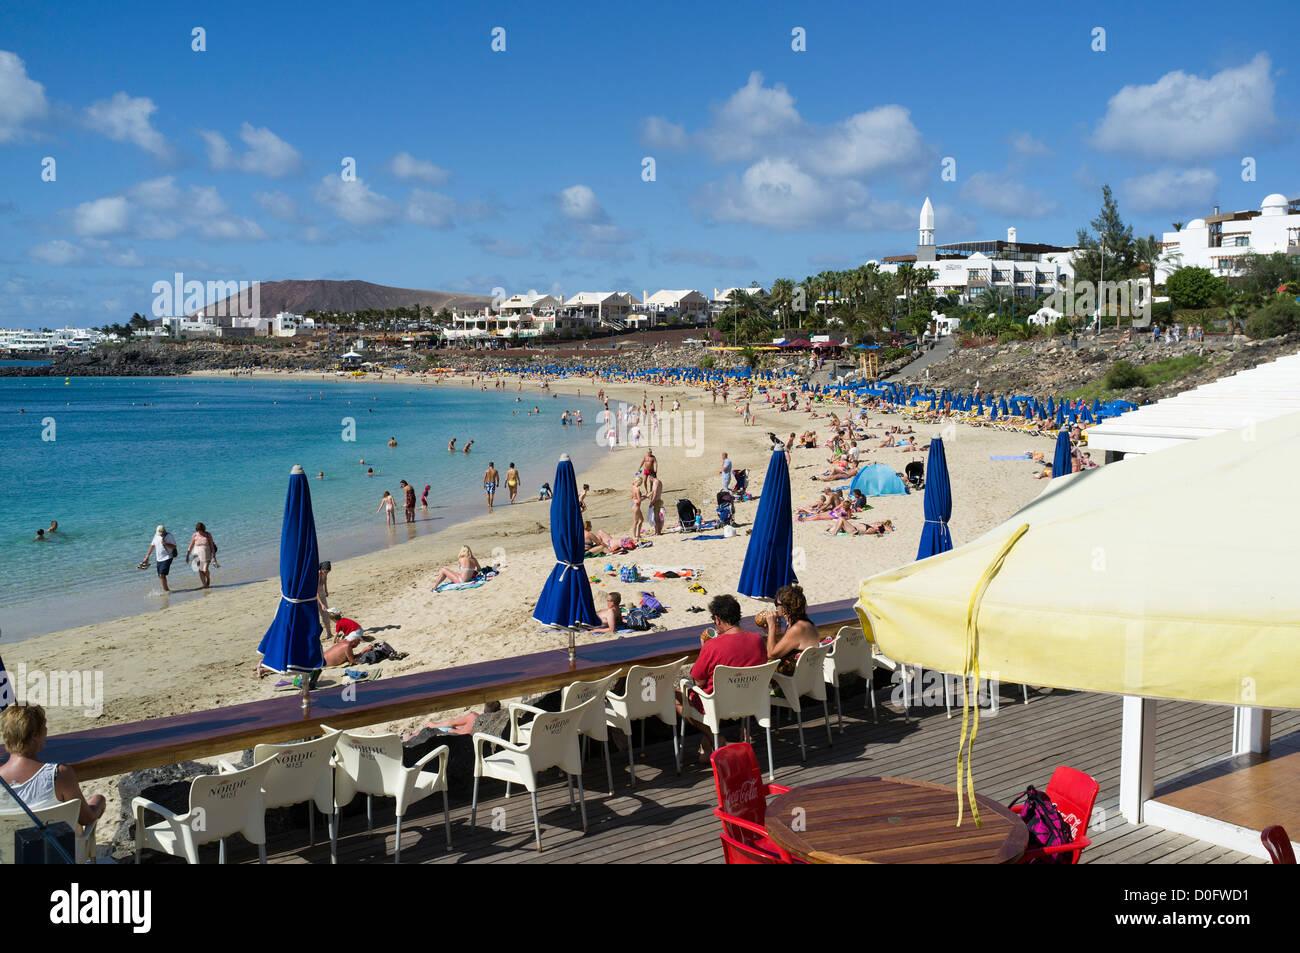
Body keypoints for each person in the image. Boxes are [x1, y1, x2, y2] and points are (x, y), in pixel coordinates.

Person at [676, 594, 767, 761]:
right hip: (750, 700)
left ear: (717, 620)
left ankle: (715, 738)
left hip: (718, 704)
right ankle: (709, 740)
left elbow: (698, 681)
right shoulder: (757, 640)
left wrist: (705, 648)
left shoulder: (712, 646)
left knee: (676, 696)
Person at [0, 704, 106, 831]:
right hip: (57, 850)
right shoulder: (59, 775)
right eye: (44, 727)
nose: (46, 731)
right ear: (35, 735)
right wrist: (98, 801)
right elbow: (86, 819)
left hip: (10, 850)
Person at [759, 585, 820, 676]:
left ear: (784, 608)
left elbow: (771, 654)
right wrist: (769, 631)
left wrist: (772, 626)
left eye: (777, 604)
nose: (776, 607)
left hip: (797, 679)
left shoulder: (797, 629)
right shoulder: (806, 623)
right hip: (809, 674)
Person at [140, 524, 179, 591]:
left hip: (168, 557)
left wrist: (165, 544)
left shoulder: (169, 536)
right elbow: (152, 546)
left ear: (164, 531)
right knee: (160, 576)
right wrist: (147, 556)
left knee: (162, 575)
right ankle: (166, 589)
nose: (160, 534)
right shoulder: (156, 535)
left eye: (161, 533)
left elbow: (174, 546)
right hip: (159, 558)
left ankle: (166, 591)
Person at [185, 521, 218, 589]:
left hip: (207, 554)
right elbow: (190, 546)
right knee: (200, 569)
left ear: (203, 529)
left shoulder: (208, 535)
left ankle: (208, 578)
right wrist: (187, 556)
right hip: (197, 555)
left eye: (200, 530)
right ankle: (205, 585)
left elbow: (211, 546)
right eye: (198, 530)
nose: (199, 532)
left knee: (205, 569)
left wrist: (214, 557)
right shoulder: (195, 535)